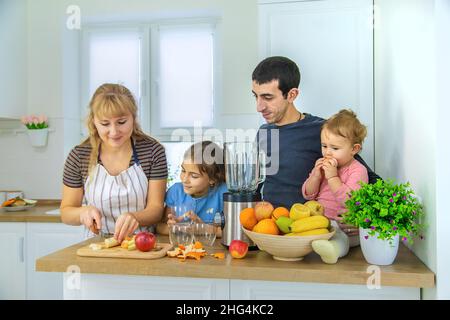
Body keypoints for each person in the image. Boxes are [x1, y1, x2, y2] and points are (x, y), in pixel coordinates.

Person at [253, 56, 380, 238]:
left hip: (308, 232)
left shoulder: (322, 132)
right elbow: (256, 186)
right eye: (255, 96)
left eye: (267, 97)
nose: (259, 106)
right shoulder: (263, 133)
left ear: (292, 95)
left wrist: (362, 218)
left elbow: (372, 181)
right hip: (267, 231)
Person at [61, 83, 168, 243]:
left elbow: (156, 209)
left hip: (143, 245)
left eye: (121, 122)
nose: (114, 131)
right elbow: (66, 212)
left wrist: (135, 217)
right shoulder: (79, 156)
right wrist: (83, 212)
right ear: (94, 121)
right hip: (96, 245)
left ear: (133, 118)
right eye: (105, 124)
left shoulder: (152, 151)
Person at [302, 109, 368, 264]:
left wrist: (332, 177)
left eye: (335, 148)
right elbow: (308, 194)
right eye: (324, 146)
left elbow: (349, 201)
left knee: (340, 239)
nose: (327, 153)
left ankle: (333, 251)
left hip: (343, 226)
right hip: (320, 221)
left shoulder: (358, 171)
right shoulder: (322, 165)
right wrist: (315, 176)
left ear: (354, 149)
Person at [156, 141, 227, 237]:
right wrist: (176, 227)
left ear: (212, 179)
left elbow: (231, 232)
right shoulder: (175, 192)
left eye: (194, 176)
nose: (184, 179)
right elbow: (160, 227)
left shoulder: (223, 193)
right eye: (183, 171)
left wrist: (203, 228)